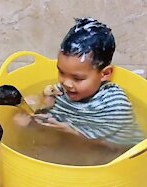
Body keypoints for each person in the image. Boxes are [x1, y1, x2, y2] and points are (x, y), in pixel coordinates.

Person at [16, 17, 144, 148]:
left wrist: (74, 133)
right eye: (61, 72)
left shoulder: (115, 104)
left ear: (105, 74)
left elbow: (119, 145)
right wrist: (38, 107)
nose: (66, 83)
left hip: (116, 154)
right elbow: (49, 113)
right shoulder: (61, 91)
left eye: (77, 78)